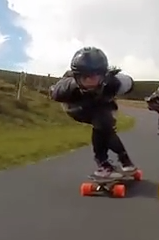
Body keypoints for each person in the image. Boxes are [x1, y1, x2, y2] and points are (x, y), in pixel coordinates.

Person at [49, 46, 137, 179]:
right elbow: (55, 92)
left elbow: (129, 83)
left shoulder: (114, 82)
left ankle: (123, 159)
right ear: (76, 76)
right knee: (102, 122)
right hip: (77, 108)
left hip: (101, 105)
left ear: (103, 74)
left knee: (106, 126)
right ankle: (103, 164)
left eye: (94, 77)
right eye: (84, 78)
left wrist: (120, 80)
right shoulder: (66, 87)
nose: (90, 82)